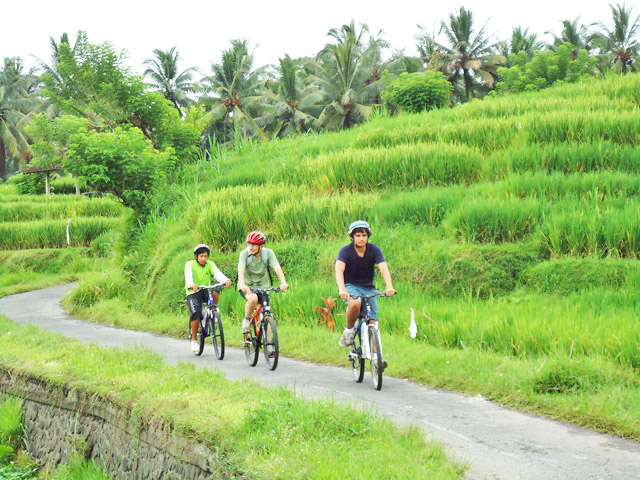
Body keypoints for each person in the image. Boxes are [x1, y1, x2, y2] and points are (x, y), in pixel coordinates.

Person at [335, 220, 396, 359]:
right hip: (351, 286)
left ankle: (376, 360)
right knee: (355, 303)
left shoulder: (374, 250)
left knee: (372, 322)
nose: (361, 238)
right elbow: (339, 270)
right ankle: (349, 331)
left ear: (368, 236)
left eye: (363, 235)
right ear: (352, 237)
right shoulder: (345, 251)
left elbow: (383, 268)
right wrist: (342, 289)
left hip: (369, 288)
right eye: (357, 235)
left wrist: (389, 286)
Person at [237, 231, 288, 333]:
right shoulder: (244, 254)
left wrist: (283, 282)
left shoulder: (268, 253)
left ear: (261, 246)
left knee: (266, 314)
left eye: (254, 245)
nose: (250, 247)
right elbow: (241, 270)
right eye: (249, 244)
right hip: (247, 286)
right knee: (253, 298)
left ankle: (268, 344)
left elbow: (277, 267)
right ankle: (246, 320)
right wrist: (242, 284)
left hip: (263, 287)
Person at [185, 243, 232, 353]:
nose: (203, 258)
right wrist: (191, 284)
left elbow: (217, 273)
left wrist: (226, 280)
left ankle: (213, 311)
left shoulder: (210, 264)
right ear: (196, 256)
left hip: (205, 290)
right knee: (196, 313)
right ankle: (194, 340)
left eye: (205, 256)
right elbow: (188, 275)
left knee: (215, 292)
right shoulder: (190, 264)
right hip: (193, 292)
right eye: (201, 256)